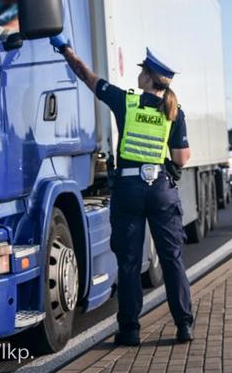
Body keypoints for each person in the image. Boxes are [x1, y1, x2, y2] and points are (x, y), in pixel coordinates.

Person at [49, 35, 194, 346]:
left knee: (128, 264)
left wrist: (66, 49)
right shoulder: (174, 111)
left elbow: (86, 76)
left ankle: (129, 330)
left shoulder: (125, 100)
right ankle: (184, 325)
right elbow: (182, 158)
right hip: (160, 190)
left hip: (128, 190)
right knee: (172, 259)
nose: (138, 73)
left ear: (147, 77)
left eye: (142, 70)